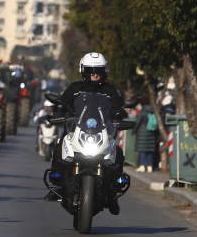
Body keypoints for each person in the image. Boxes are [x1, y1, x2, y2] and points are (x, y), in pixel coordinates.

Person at [45, 52, 126, 215]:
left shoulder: (110, 91)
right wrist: (59, 114)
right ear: (84, 71)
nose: (94, 74)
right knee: (60, 147)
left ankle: (114, 194)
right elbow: (63, 104)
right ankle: (57, 185)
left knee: (118, 153)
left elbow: (119, 108)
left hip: (102, 134)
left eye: (98, 70)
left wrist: (118, 117)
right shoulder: (75, 88)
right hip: (76, 132)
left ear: (104, 71)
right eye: (90, 70)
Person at [133, 98, 159, 172]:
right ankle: (150, 167)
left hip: (142, 132)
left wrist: (134, 131)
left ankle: (142, 166)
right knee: (150, 150)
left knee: (142, 150)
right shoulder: (154, 110)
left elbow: (138, 121)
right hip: (152, 131)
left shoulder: (143, 110)